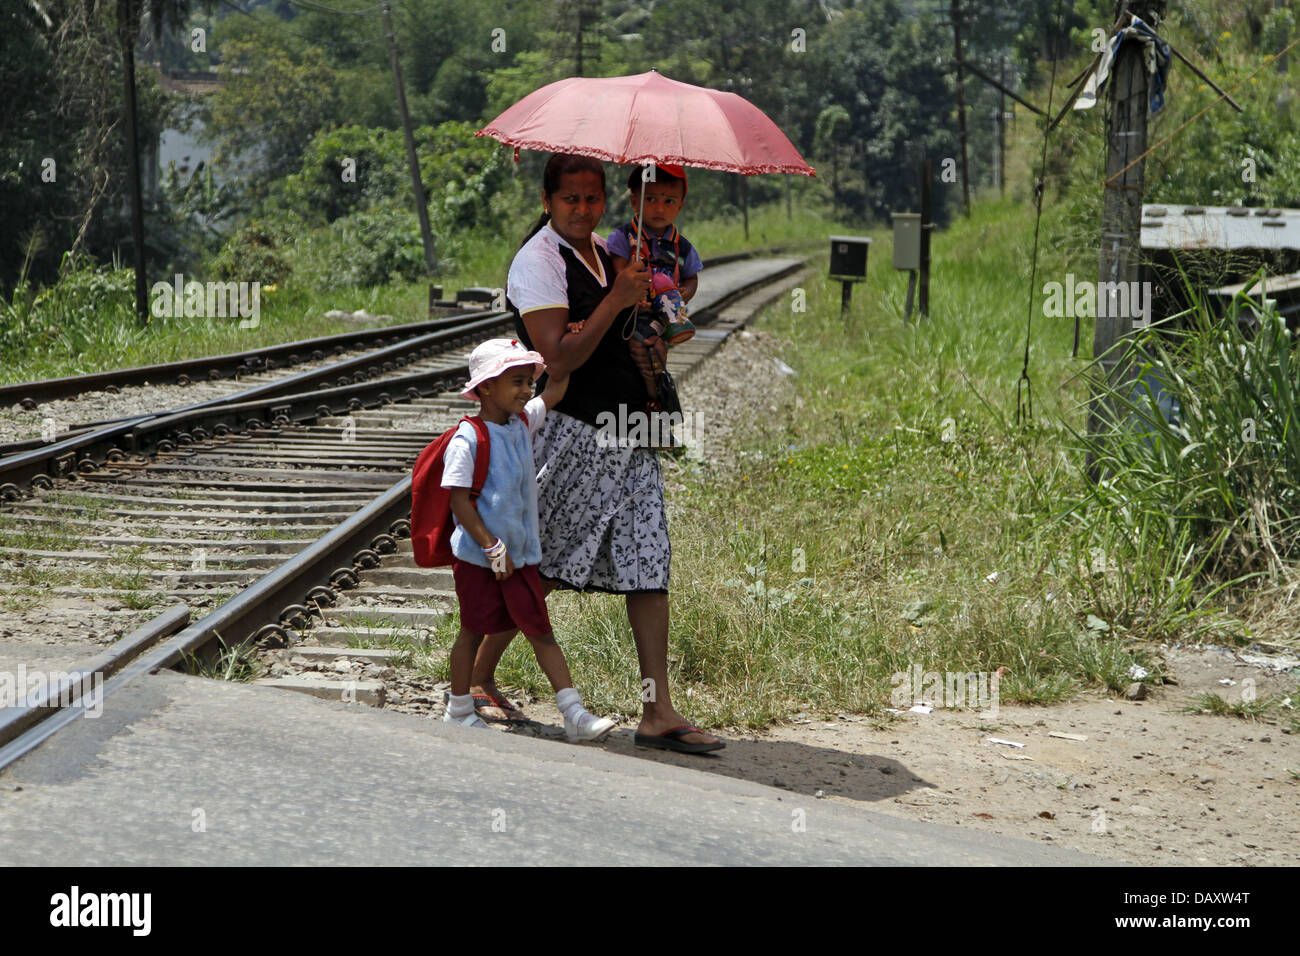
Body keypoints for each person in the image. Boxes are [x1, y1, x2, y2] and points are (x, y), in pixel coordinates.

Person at [468, 152, 724, 754]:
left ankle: (656, 710)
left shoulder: (609, 255)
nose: (582, 210)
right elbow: (555, 357)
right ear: (547, 201)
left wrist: (648, 332)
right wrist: (617, 299)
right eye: (570, 200)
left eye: (591, 199)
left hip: (629, 429)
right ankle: (478, 676)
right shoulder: (537, 263)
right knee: (545, 561)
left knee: (649, 561)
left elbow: (620, 335)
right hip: (574, 433)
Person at [441, 337, 616, 743]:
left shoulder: (521, 422)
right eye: (517, 381)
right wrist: (489, 545)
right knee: (471, 631)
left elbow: (553, 390)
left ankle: (574, 714)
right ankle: (459, 709)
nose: (526, 390)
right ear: (485, 387)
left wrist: (566, 353)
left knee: (541, 630)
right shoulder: (468, 439)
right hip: (479, 559)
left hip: (520, 558)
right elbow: (459, 502)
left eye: (527, 381)